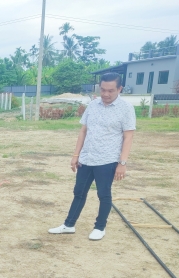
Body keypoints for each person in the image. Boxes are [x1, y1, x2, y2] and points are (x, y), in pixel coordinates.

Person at [48, 72, 136, 240]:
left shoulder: (126, 108)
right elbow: (83, 131)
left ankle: (100, 227)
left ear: (119, 89)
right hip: (87, 158)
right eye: (103, 90)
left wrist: (122, 163)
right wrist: (76, 155)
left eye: (110, 90)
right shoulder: (93, 105)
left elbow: (128, 136)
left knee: (103, 194)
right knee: (79, 192)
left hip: (107, 159)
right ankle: (69, 225)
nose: (106, 94)